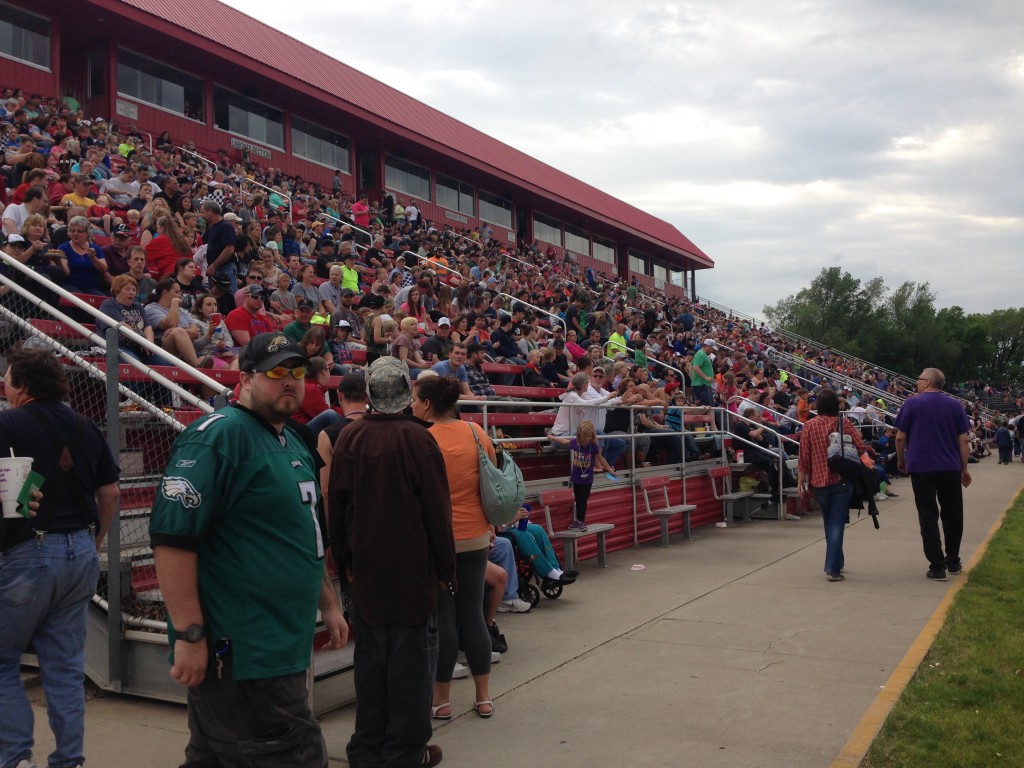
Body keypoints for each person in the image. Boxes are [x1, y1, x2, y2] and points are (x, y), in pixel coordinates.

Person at [150, 333, 348, 767]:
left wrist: (328, 603)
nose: (290, 381)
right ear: (244, 379)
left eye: (297, 371)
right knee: (291, 754)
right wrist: (189, 634)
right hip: (242, 648)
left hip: (283, 641)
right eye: (276, 372)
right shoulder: (217, 437)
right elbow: (173, 541)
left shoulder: (292, 441)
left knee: (217, 757)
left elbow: (304, 536)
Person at [330, 358, 454, 768]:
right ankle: (404, 753)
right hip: (411, 575)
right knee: (411, 668)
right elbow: (438, 513)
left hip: (366, 572)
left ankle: (367, 750)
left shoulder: (351, 438)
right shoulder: (418, 440)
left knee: (370, 666)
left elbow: (338, 507)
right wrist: (445, 569)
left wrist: (345, 559)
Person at [0, 344, 119, 768]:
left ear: (21, 384)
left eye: (8, 379)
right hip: (81, 551)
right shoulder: (86, 426)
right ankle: (69, 760)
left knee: (2, 663)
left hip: (26, 553)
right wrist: (96, 541)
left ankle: (15, 759)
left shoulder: (7, 422)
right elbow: (110, 492)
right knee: (65, 667)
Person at [412, 375, 496, 723]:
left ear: (428, 403)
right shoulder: (476, 432)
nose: (412, 405)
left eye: (416, 399)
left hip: (439, 540)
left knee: (444, 618)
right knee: (473, 615)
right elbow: (490, 478)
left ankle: (442, 700)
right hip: (476, 534)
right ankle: (483, 697)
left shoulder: (421, 439)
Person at [895, 368, 972, 581]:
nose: (917, 382)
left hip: (922, 467)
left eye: (919, 378)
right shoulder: (955, 405)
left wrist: (901, 460)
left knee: (928, 515)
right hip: (949, 467)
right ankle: (953, 560)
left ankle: (937, 566)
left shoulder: (912, 403)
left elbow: (901, 437)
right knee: (953, 514)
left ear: (927, 382)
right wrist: (964, 468)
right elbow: (963, 440)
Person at [796, 388, 869, 582]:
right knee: (837, 524)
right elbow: (861, 446)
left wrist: (801, 480)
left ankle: (837, 561)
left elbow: (804, 456)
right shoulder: (842, 422)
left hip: (819, 481)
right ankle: (832, 568)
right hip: (842, 479)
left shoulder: (809, 426)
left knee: (829, 523)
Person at [568, 420, 616, 532]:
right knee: (577, 499)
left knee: (583, 499)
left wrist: (610, 470)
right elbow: (564, 442)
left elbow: (601, 459)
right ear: (580, 436)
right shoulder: (575, 443)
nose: (587, 439)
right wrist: (552, 437)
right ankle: (577, 521)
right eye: (585, 437)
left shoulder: (593, 446)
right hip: (576, 477)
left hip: (587, 478)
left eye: (589, 437)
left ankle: (581, 521)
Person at [690, 338, 717, 406]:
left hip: (703, 385)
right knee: (707, 407)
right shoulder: (701, 354)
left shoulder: (700, 354)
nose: (712, 351)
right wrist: (705, 377)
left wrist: (693, 379)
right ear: (708, 346)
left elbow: (691, 366)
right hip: (702, 385)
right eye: (712, 349)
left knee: (708, 407)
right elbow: (695, 367)